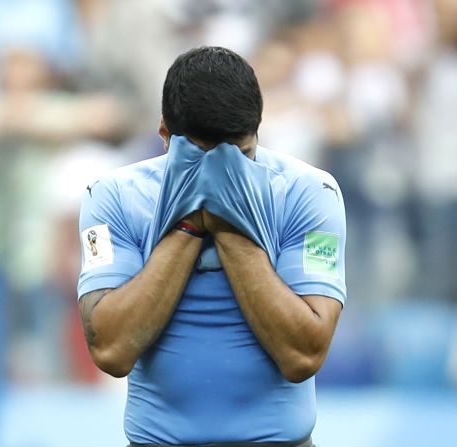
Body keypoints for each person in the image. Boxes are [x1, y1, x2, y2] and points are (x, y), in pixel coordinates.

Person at [77, 46, 346, 446]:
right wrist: (186, 225)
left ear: (258, 130)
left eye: (240, 156)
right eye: (203, 159)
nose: (223, 175)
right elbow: (112, 351)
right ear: (165, 134)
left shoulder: (310, 193)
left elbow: (303, 356)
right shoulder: (112, 197)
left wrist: (231, 226)